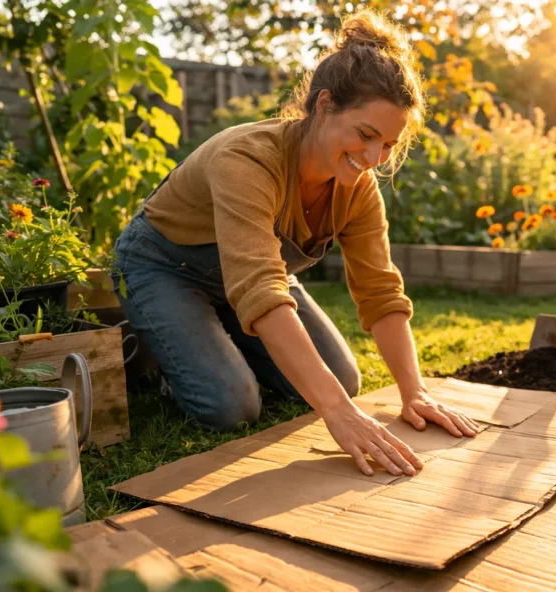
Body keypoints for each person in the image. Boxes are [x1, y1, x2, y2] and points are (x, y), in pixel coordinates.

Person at [111, 9, 479, 478]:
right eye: (365, 134)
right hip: (164, 265)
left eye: (388, 144)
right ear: (323, 106)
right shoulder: (247, 160)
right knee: (231, 404)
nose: (373, 158)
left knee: (344, 380)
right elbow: (263, 290)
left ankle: (223, 335)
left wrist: (414, 391)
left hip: (245, 282)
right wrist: (338, 413)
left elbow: (380, 291)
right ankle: (176, 353)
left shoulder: (358, 190)